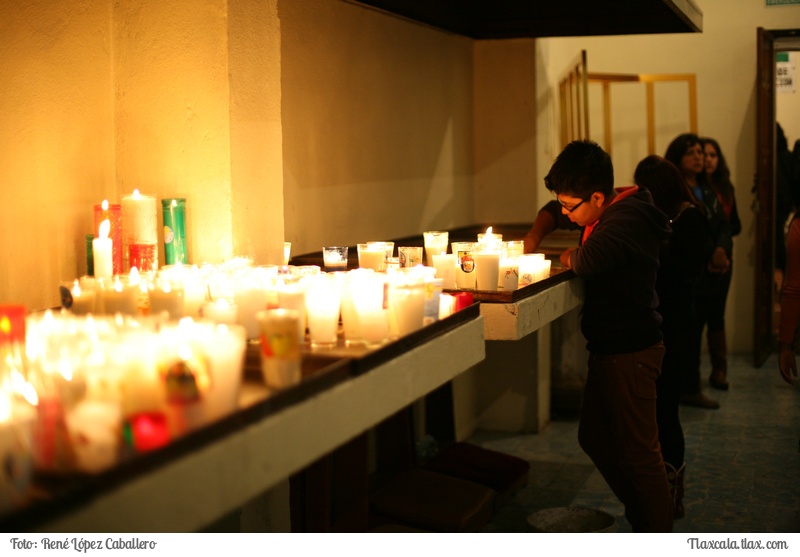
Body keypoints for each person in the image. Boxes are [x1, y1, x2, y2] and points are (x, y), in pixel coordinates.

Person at [523, 139, 673, 532]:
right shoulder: (600, 206)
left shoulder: (627, 219)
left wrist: (567, 256)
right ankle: (644, 508)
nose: (566, 214)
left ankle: (656, 526)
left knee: (642, 453)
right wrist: (531, 241)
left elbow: (586, 260)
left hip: (632, 350)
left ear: (597, 197)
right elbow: (552, 211)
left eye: (572, 207)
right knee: (594, 434)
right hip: (609, 348)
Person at [634, 155, 712, 519]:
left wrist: (655, 251)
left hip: (678, 322)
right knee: (655, 409)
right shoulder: (662, 215)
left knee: (667, 409)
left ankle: (672, 491)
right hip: (659, 320)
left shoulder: (689, 217)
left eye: (646, 190)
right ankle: (657, 488)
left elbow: (691, 270)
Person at [665, 133, 732, 409]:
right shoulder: (675, 191)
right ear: (677, 158)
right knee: (688, 331)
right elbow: (689, 232)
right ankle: (686, 386)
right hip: (692, 271)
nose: (699, 157)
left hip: (715, 268)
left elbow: (724, 225)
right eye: (691, 152)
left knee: (708, 321)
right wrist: (709, 252)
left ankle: (694, 383)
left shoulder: (709, 188)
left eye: (699, 152)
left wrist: (721, 250)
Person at [699, 137, 741, 390]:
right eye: (704, 155)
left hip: (724, 258)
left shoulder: (726, 188)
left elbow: (735, 223)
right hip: (702, 259)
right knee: (699, 316)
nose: (708, 159)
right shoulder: (695, 189)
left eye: (713, 155)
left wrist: (722, 245)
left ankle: (720, 370)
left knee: (717, 316)